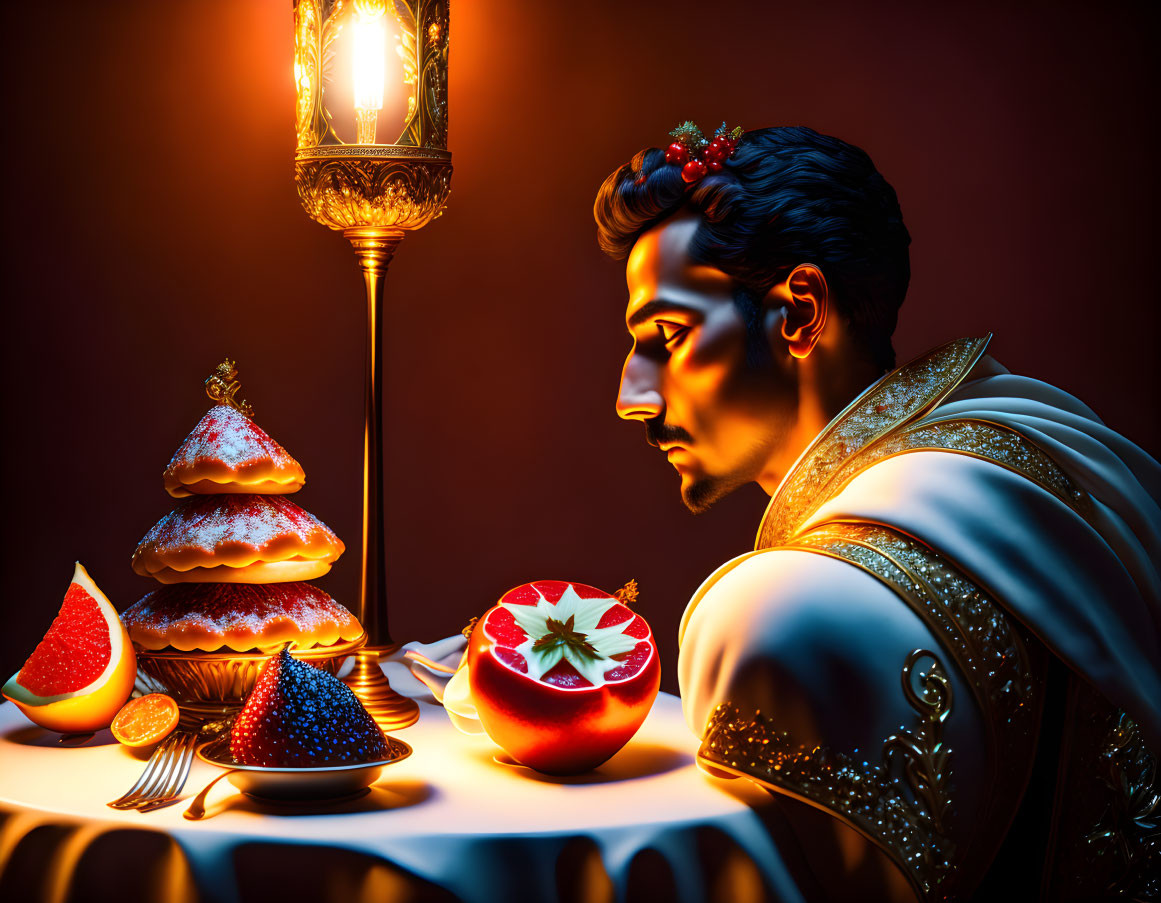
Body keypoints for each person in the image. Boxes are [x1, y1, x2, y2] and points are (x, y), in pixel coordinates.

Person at [594, 124, 1161, 901]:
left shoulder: (773, 610)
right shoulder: (1032, 430)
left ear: (798, 311)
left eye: (667, 335)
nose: (633, 398)